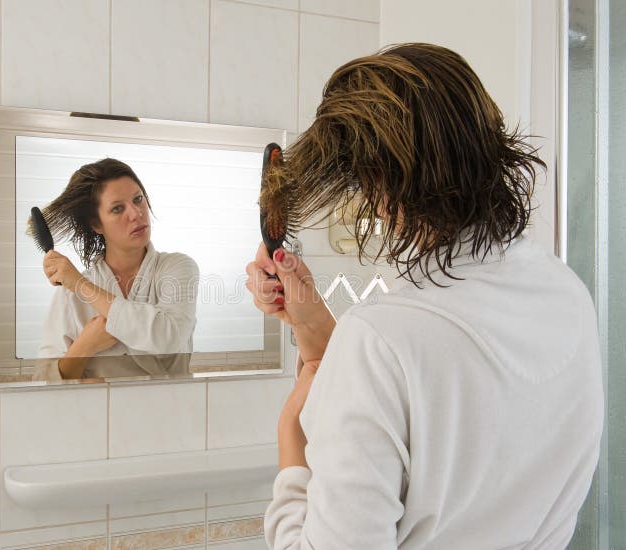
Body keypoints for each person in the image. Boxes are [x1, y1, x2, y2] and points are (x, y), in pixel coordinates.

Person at [246, 43, 603, 549]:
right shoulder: (567, 294)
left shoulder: (378, 341)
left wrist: (292, 437)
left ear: (377, 182)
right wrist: (319, 337)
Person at [32, 158, 199, 381]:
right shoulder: (68, 295)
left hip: (173, 410)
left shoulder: (178, 267)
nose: (136, 213)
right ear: (97, 224)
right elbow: (43, 382)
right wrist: (84, 347)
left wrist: (82, 286)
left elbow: (167, 338)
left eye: (138, 199)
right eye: (117, 208)